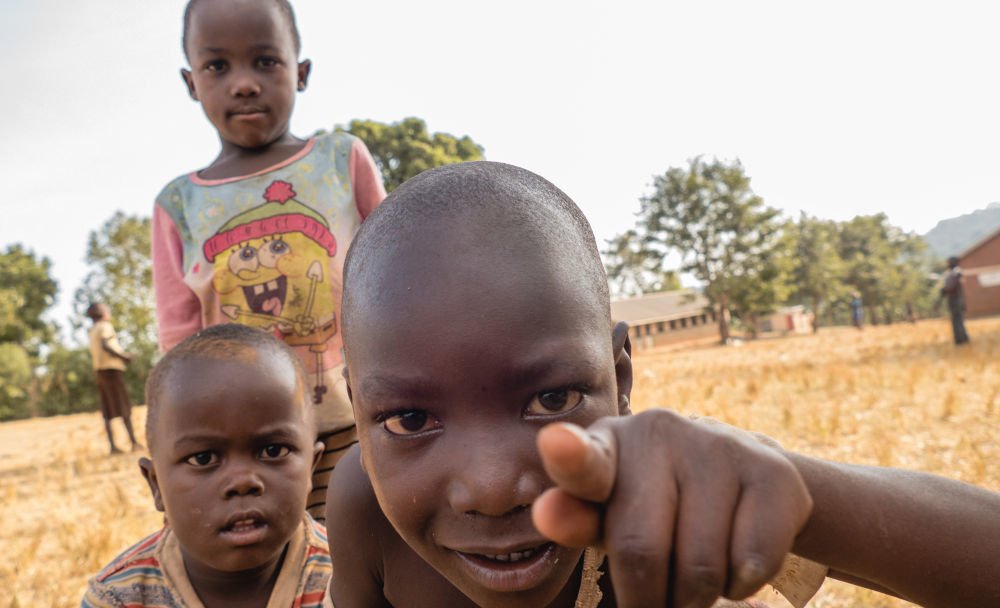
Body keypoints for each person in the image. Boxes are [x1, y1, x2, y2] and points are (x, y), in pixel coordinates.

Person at [327, 162, 1000, 608]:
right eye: (411, 420)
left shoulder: (666, 502)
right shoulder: (361, 506)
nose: (492, 485)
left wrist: (799, 493)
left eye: (551, 400)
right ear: (358, 410)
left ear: (621, 378)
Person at [151, 0, 387, 521]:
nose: (243, 83)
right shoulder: (178, 206)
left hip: (358, 423)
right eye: (217, 66)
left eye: (265, 61)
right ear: (191, 83)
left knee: (367, 566)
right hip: (246, 451)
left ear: (300, 73)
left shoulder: (340, 161)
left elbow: (397, 278)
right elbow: (178, 343)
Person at [82, 324, 329, 608]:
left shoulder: (347, 579)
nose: (242, 481)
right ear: (155, 483)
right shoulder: (117, 598)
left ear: (311, 467)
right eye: (204, 458)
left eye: (273, 450)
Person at [86, 302, 141, 454]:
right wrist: (124, 357)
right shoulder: (105, 326)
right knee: (124, 407)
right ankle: (134, 442)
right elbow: (106, 345)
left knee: (107, 410)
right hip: (112, 371)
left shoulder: (92, 330)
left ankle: (113, 446)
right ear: (103, 313)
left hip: (99, 372)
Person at [940, 256, 970, 345]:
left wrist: (946, 289)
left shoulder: (956, 271)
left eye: (949, 262)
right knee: (956, 320)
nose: (947, 264)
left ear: (954, 262)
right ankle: (961, 339)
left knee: (958, 320)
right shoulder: (951, 273)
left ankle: (961, 339)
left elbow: (953, 284)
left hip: (956, 299)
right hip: (952, 299)